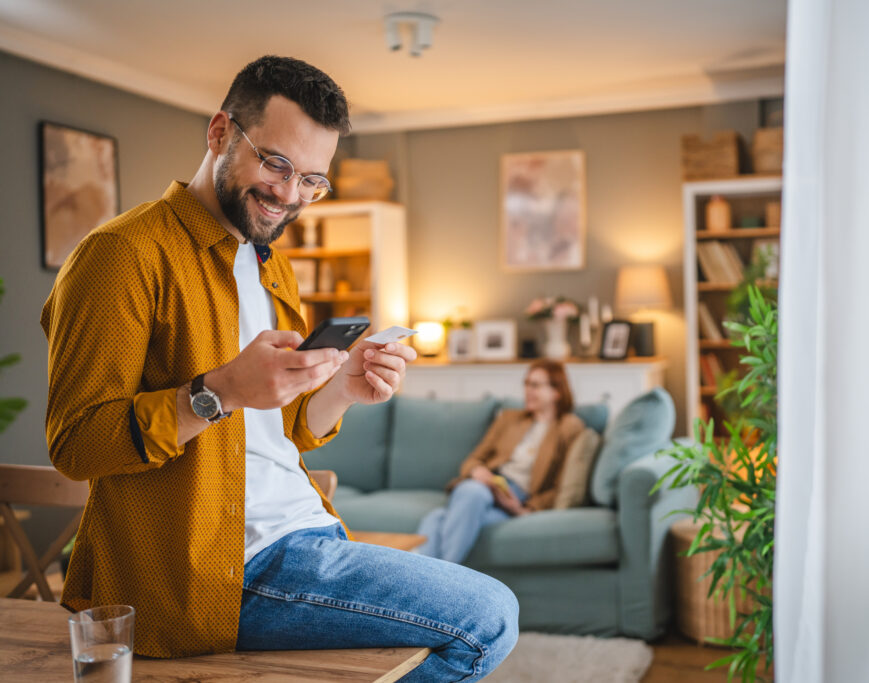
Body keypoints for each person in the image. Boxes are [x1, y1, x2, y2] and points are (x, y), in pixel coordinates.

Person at [41, 55, 517, 681]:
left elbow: (282, 430)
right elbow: (77, 444)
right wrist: (215, 393)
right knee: (487, 616)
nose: (290, 196)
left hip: (310, 532)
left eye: (313, 180)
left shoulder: (270, 264)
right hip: (220, 569)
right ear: (220, 134)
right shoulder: (120, 257)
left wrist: (342, 390)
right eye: (277, 163)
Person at [416, 360, 584, 563]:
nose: (527, 390)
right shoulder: (509, 419)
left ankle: (429, 585)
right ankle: (446, 580)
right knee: (472, 491)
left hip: (514, 499)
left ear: (556, 392)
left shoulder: (568, 428)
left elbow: (561, 486)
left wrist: (522, 509)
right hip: (485, 485)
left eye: (536, 385)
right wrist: (477, 472)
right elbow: (474, 460)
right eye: (526, 384)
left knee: (436, 519)